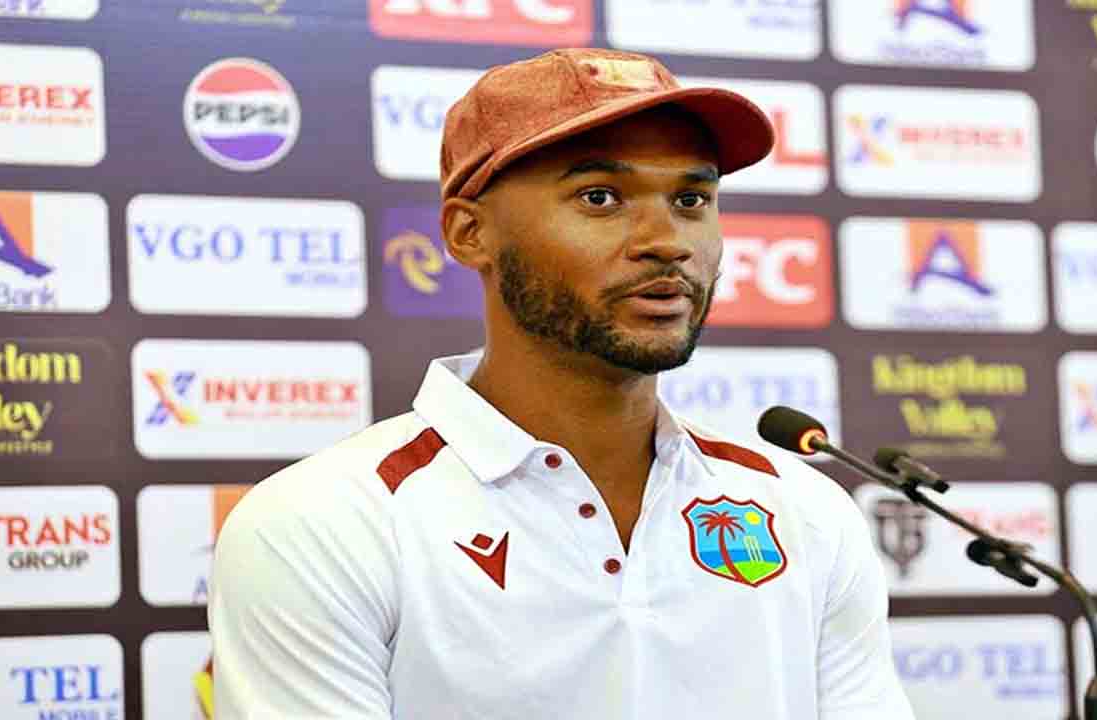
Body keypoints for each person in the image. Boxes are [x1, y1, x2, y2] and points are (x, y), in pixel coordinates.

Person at [210, 48, 914, 719]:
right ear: (468, 233)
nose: (667, 241)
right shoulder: (322, 523)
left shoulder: (806, 512)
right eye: (601, 197)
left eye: (691, 199)